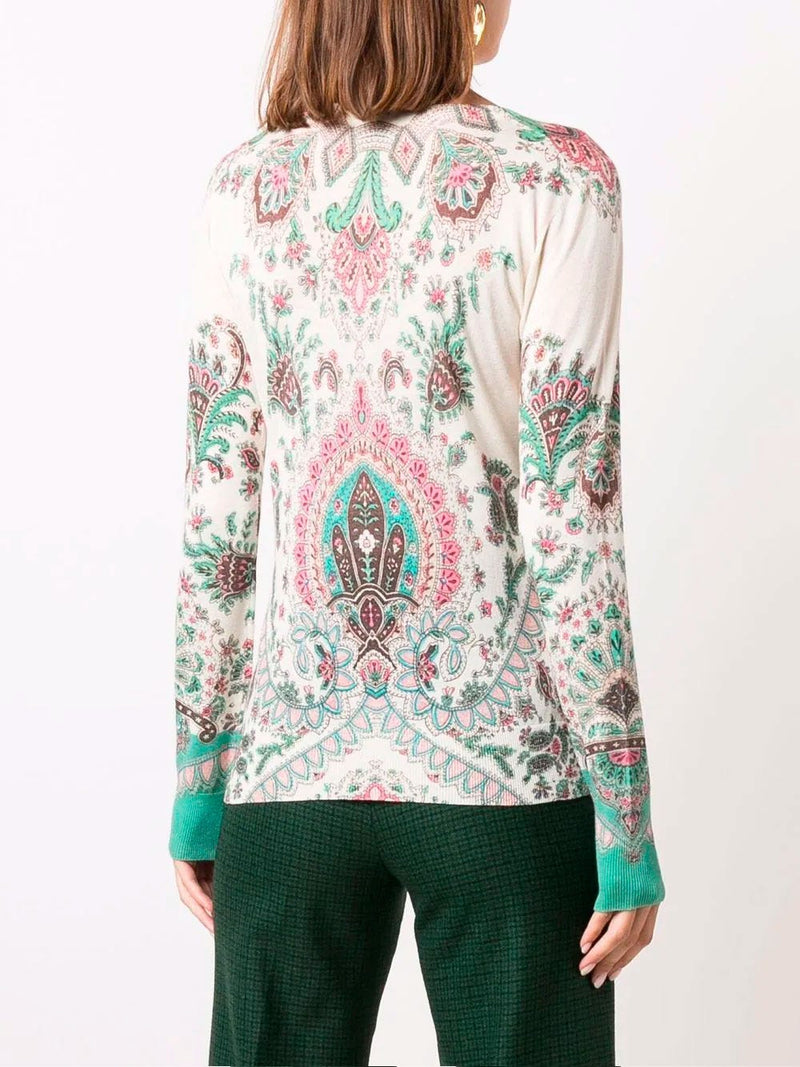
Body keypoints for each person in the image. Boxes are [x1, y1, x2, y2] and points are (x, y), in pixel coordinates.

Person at [169, 1, 667, 1064]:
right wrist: (624, 814)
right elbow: (569, 510)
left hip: (288, 774)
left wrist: (199, 786)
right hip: (503, 771)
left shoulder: (241, 192)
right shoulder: (557, 178)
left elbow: (217, 512)